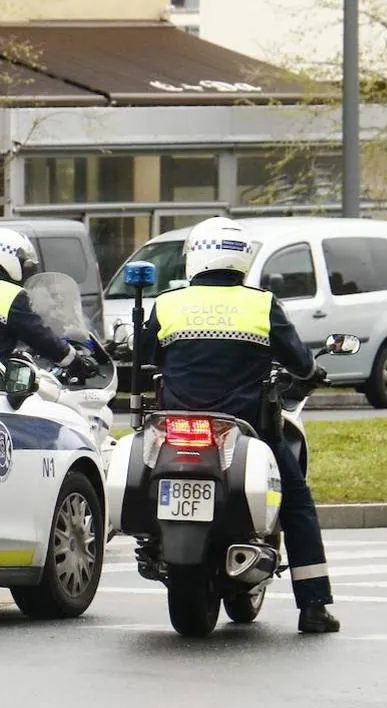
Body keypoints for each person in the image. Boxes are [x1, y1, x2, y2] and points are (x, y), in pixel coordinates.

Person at [139, 216, 339, 634]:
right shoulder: (261, 304)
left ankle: (153, 542)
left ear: (195, 256)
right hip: (246, 430)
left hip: (175, 430)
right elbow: (301, 363)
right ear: (242, 260)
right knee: (297, 502)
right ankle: (314, 606)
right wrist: (311, 370)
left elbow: (146, 356)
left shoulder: (169, 303)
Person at [0, 227, 97, 379]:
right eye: (23, 262)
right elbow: (42, 338)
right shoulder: (10, 295)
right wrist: (76, 362)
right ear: (7, 257)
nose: (25, 269)